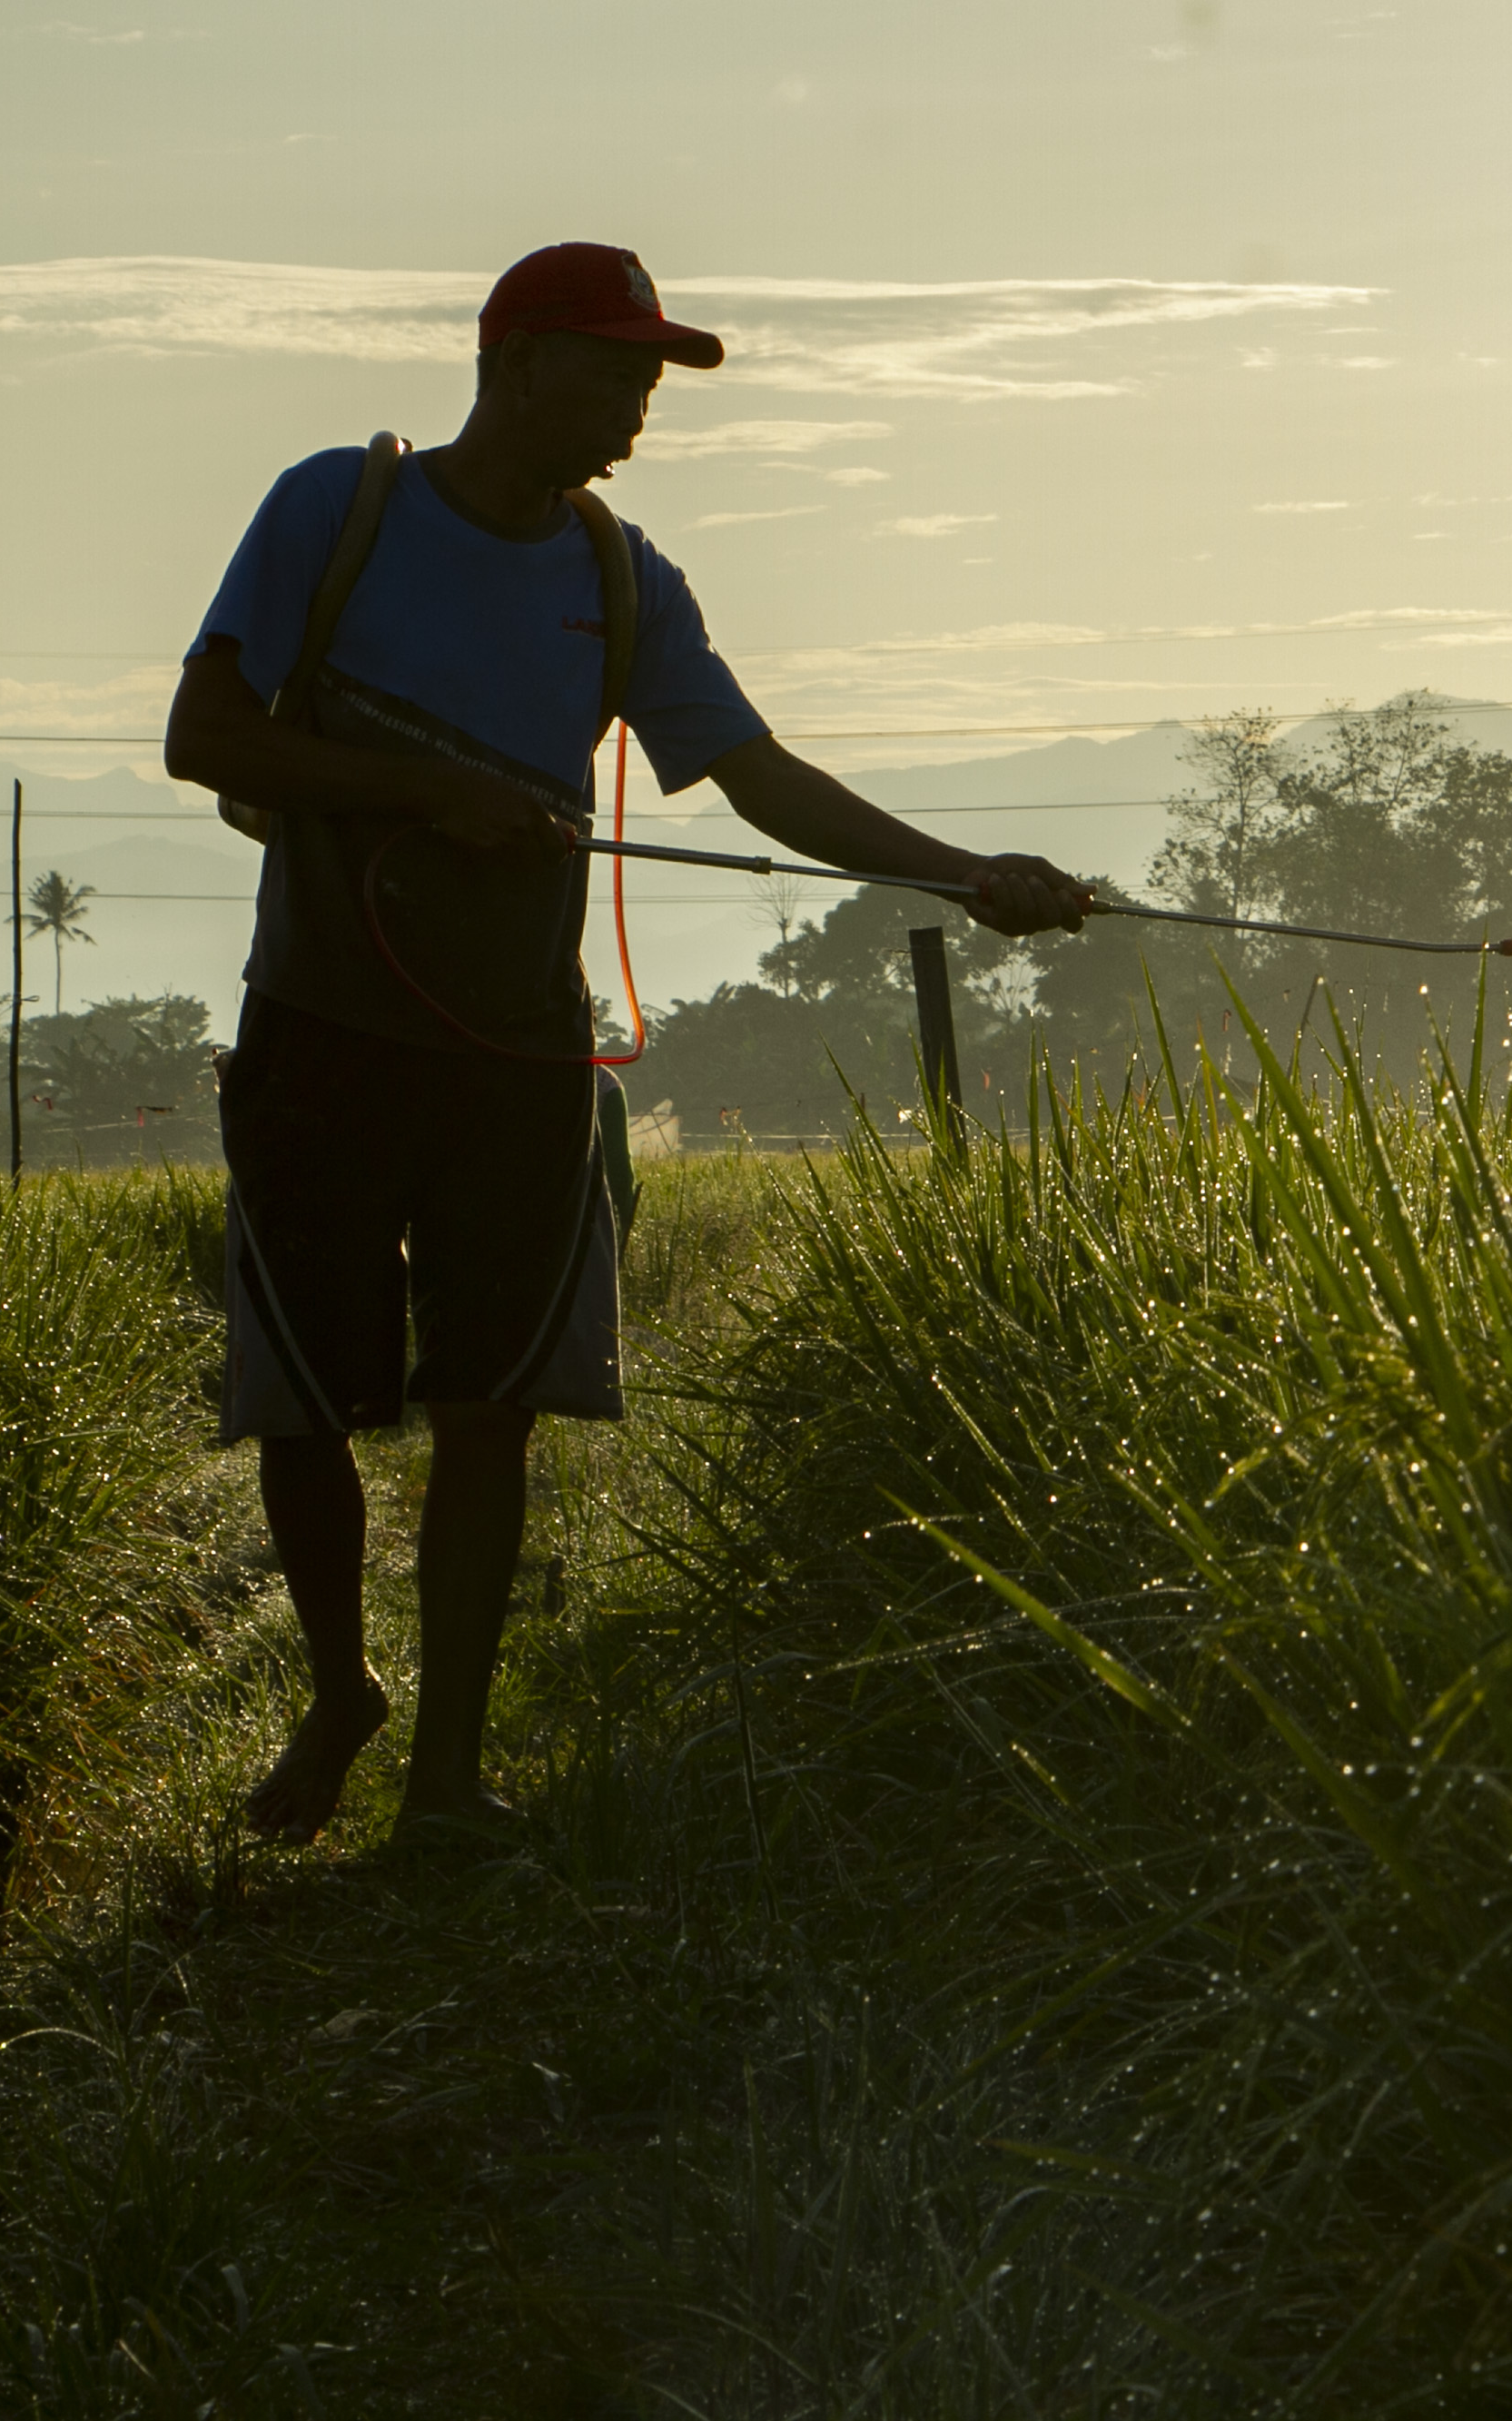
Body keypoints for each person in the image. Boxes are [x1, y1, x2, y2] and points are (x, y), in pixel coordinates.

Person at [163, 241, 1091, 1843]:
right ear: (513, 364)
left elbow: (761, 778)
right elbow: (204, 735)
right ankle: (340, 1690)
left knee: (491, 1410)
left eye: (652, 375)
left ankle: (444, 1781)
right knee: (304, 1399)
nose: (641, 401)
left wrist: (964, 873)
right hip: (321, 1028)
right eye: (616, 369)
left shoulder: (625, 579)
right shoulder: (337, 509)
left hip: (519, 1053)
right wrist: (429, 790)